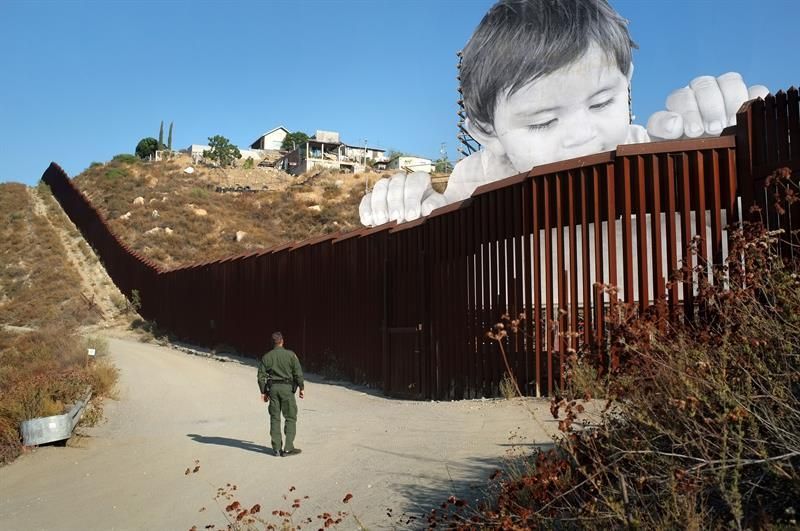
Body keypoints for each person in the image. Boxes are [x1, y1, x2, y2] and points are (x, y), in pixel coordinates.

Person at [359, 0, 768, 226]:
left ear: (628, 80)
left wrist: (740, 135)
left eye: (602, 101)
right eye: (542, 121)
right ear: (486, 130)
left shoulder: (667, 154)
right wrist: (417, 210)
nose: (580, 136)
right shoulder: (473, 193)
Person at [257, 331, 305, 457]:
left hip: (273, 389)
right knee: (290, 417)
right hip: (287, 389)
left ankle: (276, 449)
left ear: (272, 343)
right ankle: (288, 448)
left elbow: (261, 376)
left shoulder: (267, 357)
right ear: (282, 341)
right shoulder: (291, 355)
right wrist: (301, 388)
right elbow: (298, 373)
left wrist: (263, 392)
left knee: (275, 418)